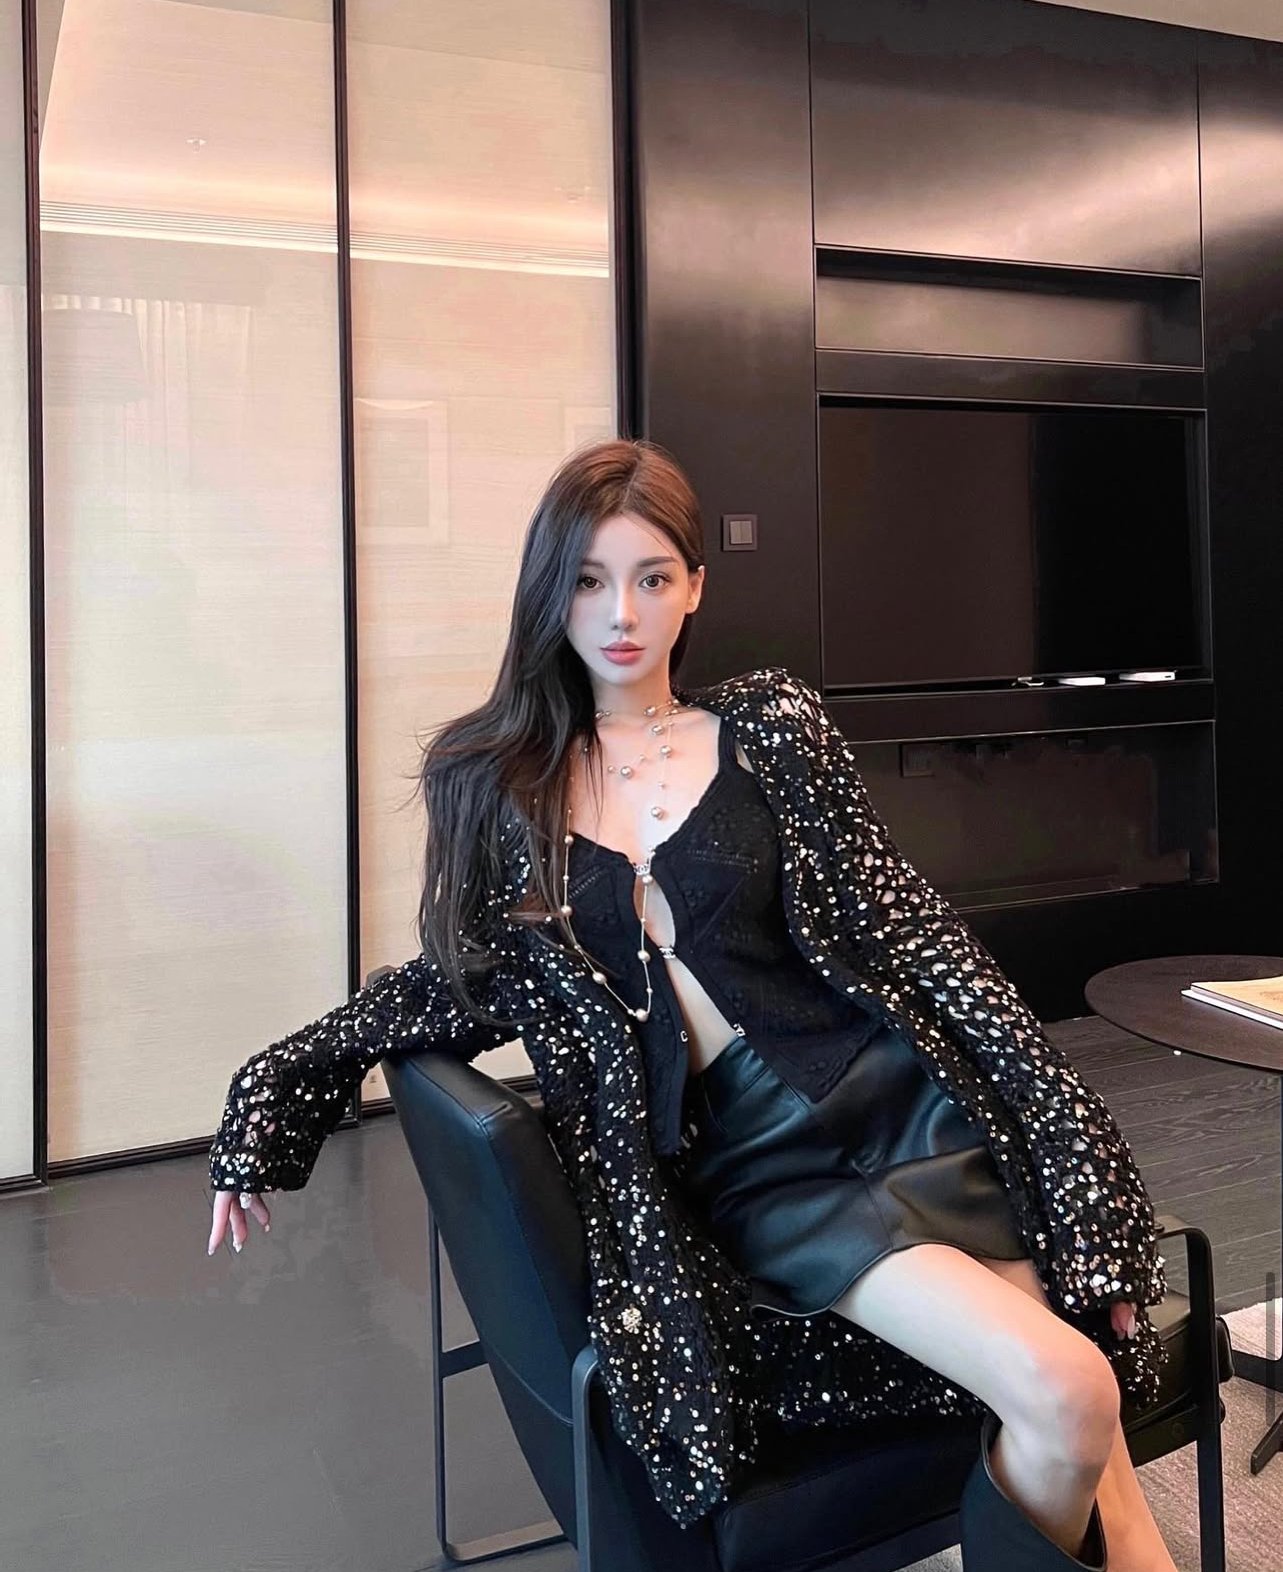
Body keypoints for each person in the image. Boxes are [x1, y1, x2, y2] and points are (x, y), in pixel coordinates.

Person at [206, 439, 1177, 1570]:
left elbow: (923, 942)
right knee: (1065, 1392)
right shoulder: (500, 783)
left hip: (904, 1106)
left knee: (1083, 1406)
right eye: (588, 579)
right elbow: (458, 982)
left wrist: (1083, 1179)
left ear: (695, 588)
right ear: (547, 588)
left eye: (652, 577)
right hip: (756, 1167)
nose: (621, 613)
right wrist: (278, 1081)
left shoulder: (770, 728)